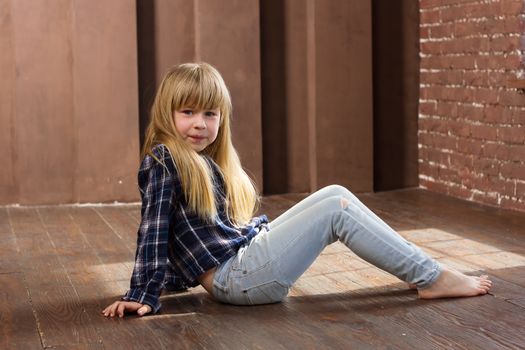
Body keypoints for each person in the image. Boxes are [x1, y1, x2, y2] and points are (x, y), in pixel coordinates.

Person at [102, 62, 492, 318]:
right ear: (166, 114)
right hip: (237, 280)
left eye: (209, 113)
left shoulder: (202, 161)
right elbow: (154, 230)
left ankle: (413, 269)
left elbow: (192, 240)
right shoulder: (164, 160)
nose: (199, 124)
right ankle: (432, 277)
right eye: (187, 112)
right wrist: (144, 293)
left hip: (238, 265)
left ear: (222, 118)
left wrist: (171, 282)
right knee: (336, 209)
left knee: (333, 193)